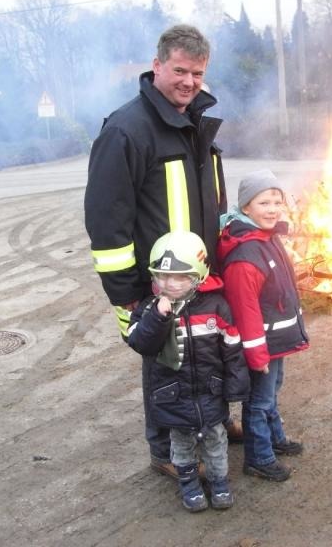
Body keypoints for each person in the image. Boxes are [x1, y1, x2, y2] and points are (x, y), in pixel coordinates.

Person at [84, 24, 241, 480]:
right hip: (159, 281)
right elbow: (106, 220)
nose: (188, 82)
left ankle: (212, 421)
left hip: (202, 274)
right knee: (165, 362)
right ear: (156, 66)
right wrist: (128, 293)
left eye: (197, 73)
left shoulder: (196, 122)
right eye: (179, 70)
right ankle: (165, 451)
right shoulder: (125, 131)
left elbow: (212, 199)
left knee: (206, 350)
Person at [127, 231, 249, 512]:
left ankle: (219, 483)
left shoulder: (216, 307)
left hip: (210, 393)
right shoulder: (149, 308)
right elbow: (140, 343)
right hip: (174, 397)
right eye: (162, 276)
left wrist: (236, 389)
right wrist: (159, 317)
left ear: (198, 275)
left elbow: (232, 350)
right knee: (180, 445)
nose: (170, 284)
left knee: (216, 441)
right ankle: (190, 485)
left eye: (181, 277)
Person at [217, 169, 310, 482]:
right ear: (246, 207)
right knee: (258, 401)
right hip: (261, 344)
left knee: (273, 392)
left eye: (276, 201)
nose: (272, 209)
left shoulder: (266, 237)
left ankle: (275, 438)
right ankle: (259, 457)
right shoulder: (246, 253)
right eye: (263, 202)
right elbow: (246, 310)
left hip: (276, 339)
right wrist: (256, 356)